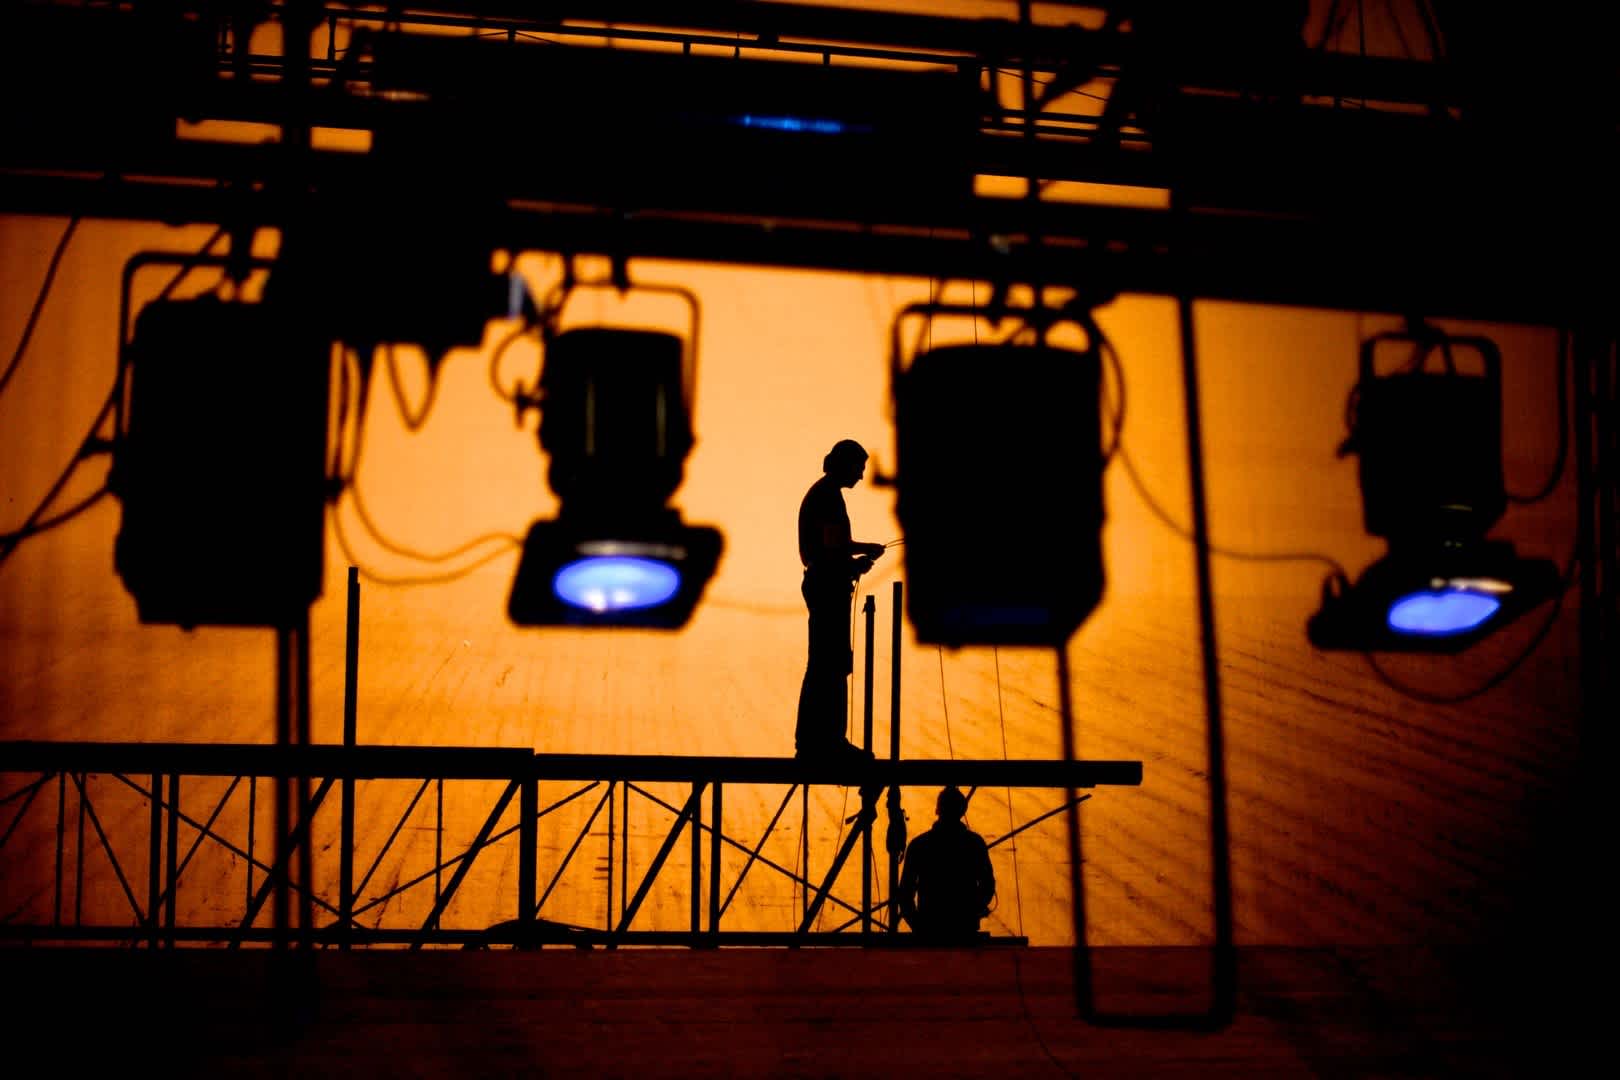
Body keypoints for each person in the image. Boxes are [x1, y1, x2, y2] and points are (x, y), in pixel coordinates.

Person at [795, 438, 886, 762]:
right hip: (827, 586)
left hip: (825, 583)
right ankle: (827, 742)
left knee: (825, 662)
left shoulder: (824, 494)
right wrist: (858, 559)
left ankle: (816, 740)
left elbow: (835, 545)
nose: (862, 475)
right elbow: (833, 549)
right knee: (829, 663)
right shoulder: (829, 498)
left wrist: (861, 552)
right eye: (859, 468)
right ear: (845, 465)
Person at [897, 786, 996, 941]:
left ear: (938, 809)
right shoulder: (974, 844)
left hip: (930, 930)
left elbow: (905, 893)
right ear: (963, 810)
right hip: (964, 930)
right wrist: (972, 912)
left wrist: (918, 925)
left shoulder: (920, 845)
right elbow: (987, 886)